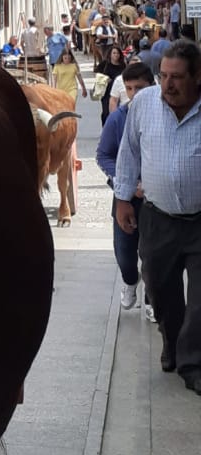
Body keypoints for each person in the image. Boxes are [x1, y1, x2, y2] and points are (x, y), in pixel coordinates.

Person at [115, 41, 201, 391]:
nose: (168, 84)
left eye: (177, 77)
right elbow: (129, 152)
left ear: (197, 77)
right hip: (158, 218)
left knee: (200, 303)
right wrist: (122, 199)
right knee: (161, 291)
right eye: (163, 76)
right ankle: (173, 343)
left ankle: (193, 363)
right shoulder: (144, 104)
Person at [98, 60, 156, 309]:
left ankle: (152, 300)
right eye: (129, 88)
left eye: (139, 88)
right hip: (126, 196)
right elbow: (103, 155)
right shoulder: (117, 119)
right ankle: (130, 281)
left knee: (154, 254)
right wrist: (125, 182)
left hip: (156, 199)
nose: (134, 93)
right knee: (124, 253)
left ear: (152, 86)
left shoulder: (163, 115)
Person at [96, 43, 126, 124]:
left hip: (118, 92)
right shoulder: (105, 64)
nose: (116, 55)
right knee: (106, 112)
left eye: (117, 53)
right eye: (114, 53)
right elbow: (97, 72)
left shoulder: (123, 65)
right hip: (106, 92)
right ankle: (105, 127)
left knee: (116, 112)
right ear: (110, 54)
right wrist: (104, 78)